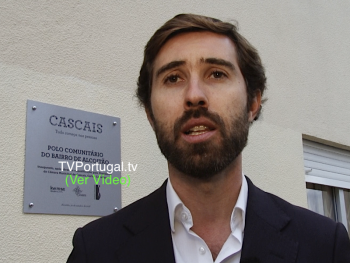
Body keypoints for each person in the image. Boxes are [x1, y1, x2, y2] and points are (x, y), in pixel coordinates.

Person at [67, 14, 350, 263]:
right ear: (151, 114)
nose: (194, 96)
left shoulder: (326, 245)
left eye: (216, 73)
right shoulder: (95, 250)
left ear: (253, 102)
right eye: (173, 78)